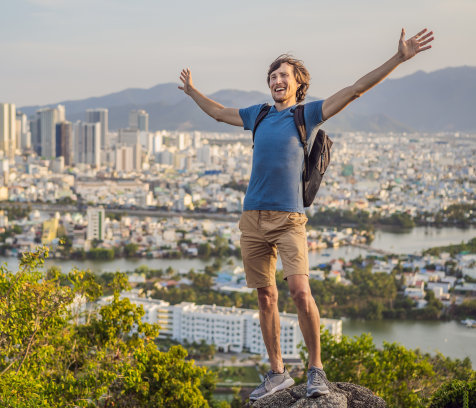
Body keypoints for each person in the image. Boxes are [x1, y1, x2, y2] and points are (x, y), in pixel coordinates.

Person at [178, 28, 433, 401]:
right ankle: (277, 372)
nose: (276, 80)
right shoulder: (259, 114)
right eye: (272, 75)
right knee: (265, 296)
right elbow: (218, 113)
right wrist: (192, 91)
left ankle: (316, 369)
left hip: (289, 218)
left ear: (299, 83)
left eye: (284, 75)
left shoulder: (306, 114)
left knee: (299, 291)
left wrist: (397, 58)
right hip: (252, 217)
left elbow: (354, 90)